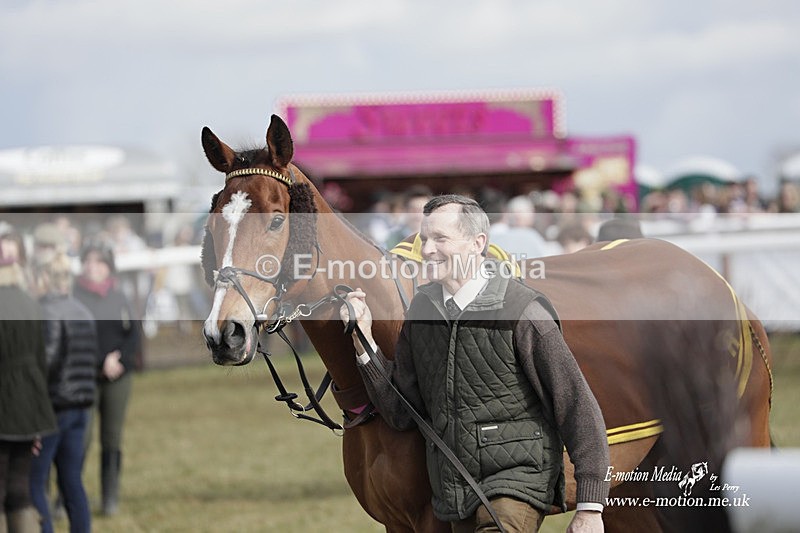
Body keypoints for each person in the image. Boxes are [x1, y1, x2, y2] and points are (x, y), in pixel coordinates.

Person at [340, 195, 609, 532]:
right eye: (425, 239)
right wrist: (363, 339)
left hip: (516, 483)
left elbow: (576, 405)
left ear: (477, 243)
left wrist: (590, 507)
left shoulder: (522, 310)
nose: (426, 250)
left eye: (440, 239)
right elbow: (399, 411)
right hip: (455, 489)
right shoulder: (422, 313)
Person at [29, 251, 100, 533]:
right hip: (81, 407)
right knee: (71, 481)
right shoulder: (83, 310)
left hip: (53, 407)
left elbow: (47, 362)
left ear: (44, 277)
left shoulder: (46, 312)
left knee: (34, 482)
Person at [73, 240, 140, 516]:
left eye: (99, 262)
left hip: (117, 378)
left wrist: (119, 360)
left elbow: (133, 335)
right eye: (88, 261)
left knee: (111, 439)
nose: (92, 267)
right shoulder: (73, 296)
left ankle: (109, 496)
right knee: (79, 440)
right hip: (84, 376)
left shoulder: (119, 296)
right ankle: (68, 494)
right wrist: (99, 361)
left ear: (108, 267)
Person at [0, 227, 58, 531]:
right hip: (30, 404)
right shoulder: (30, 303)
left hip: (6, 403)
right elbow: (39, 360)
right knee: (20, 489)